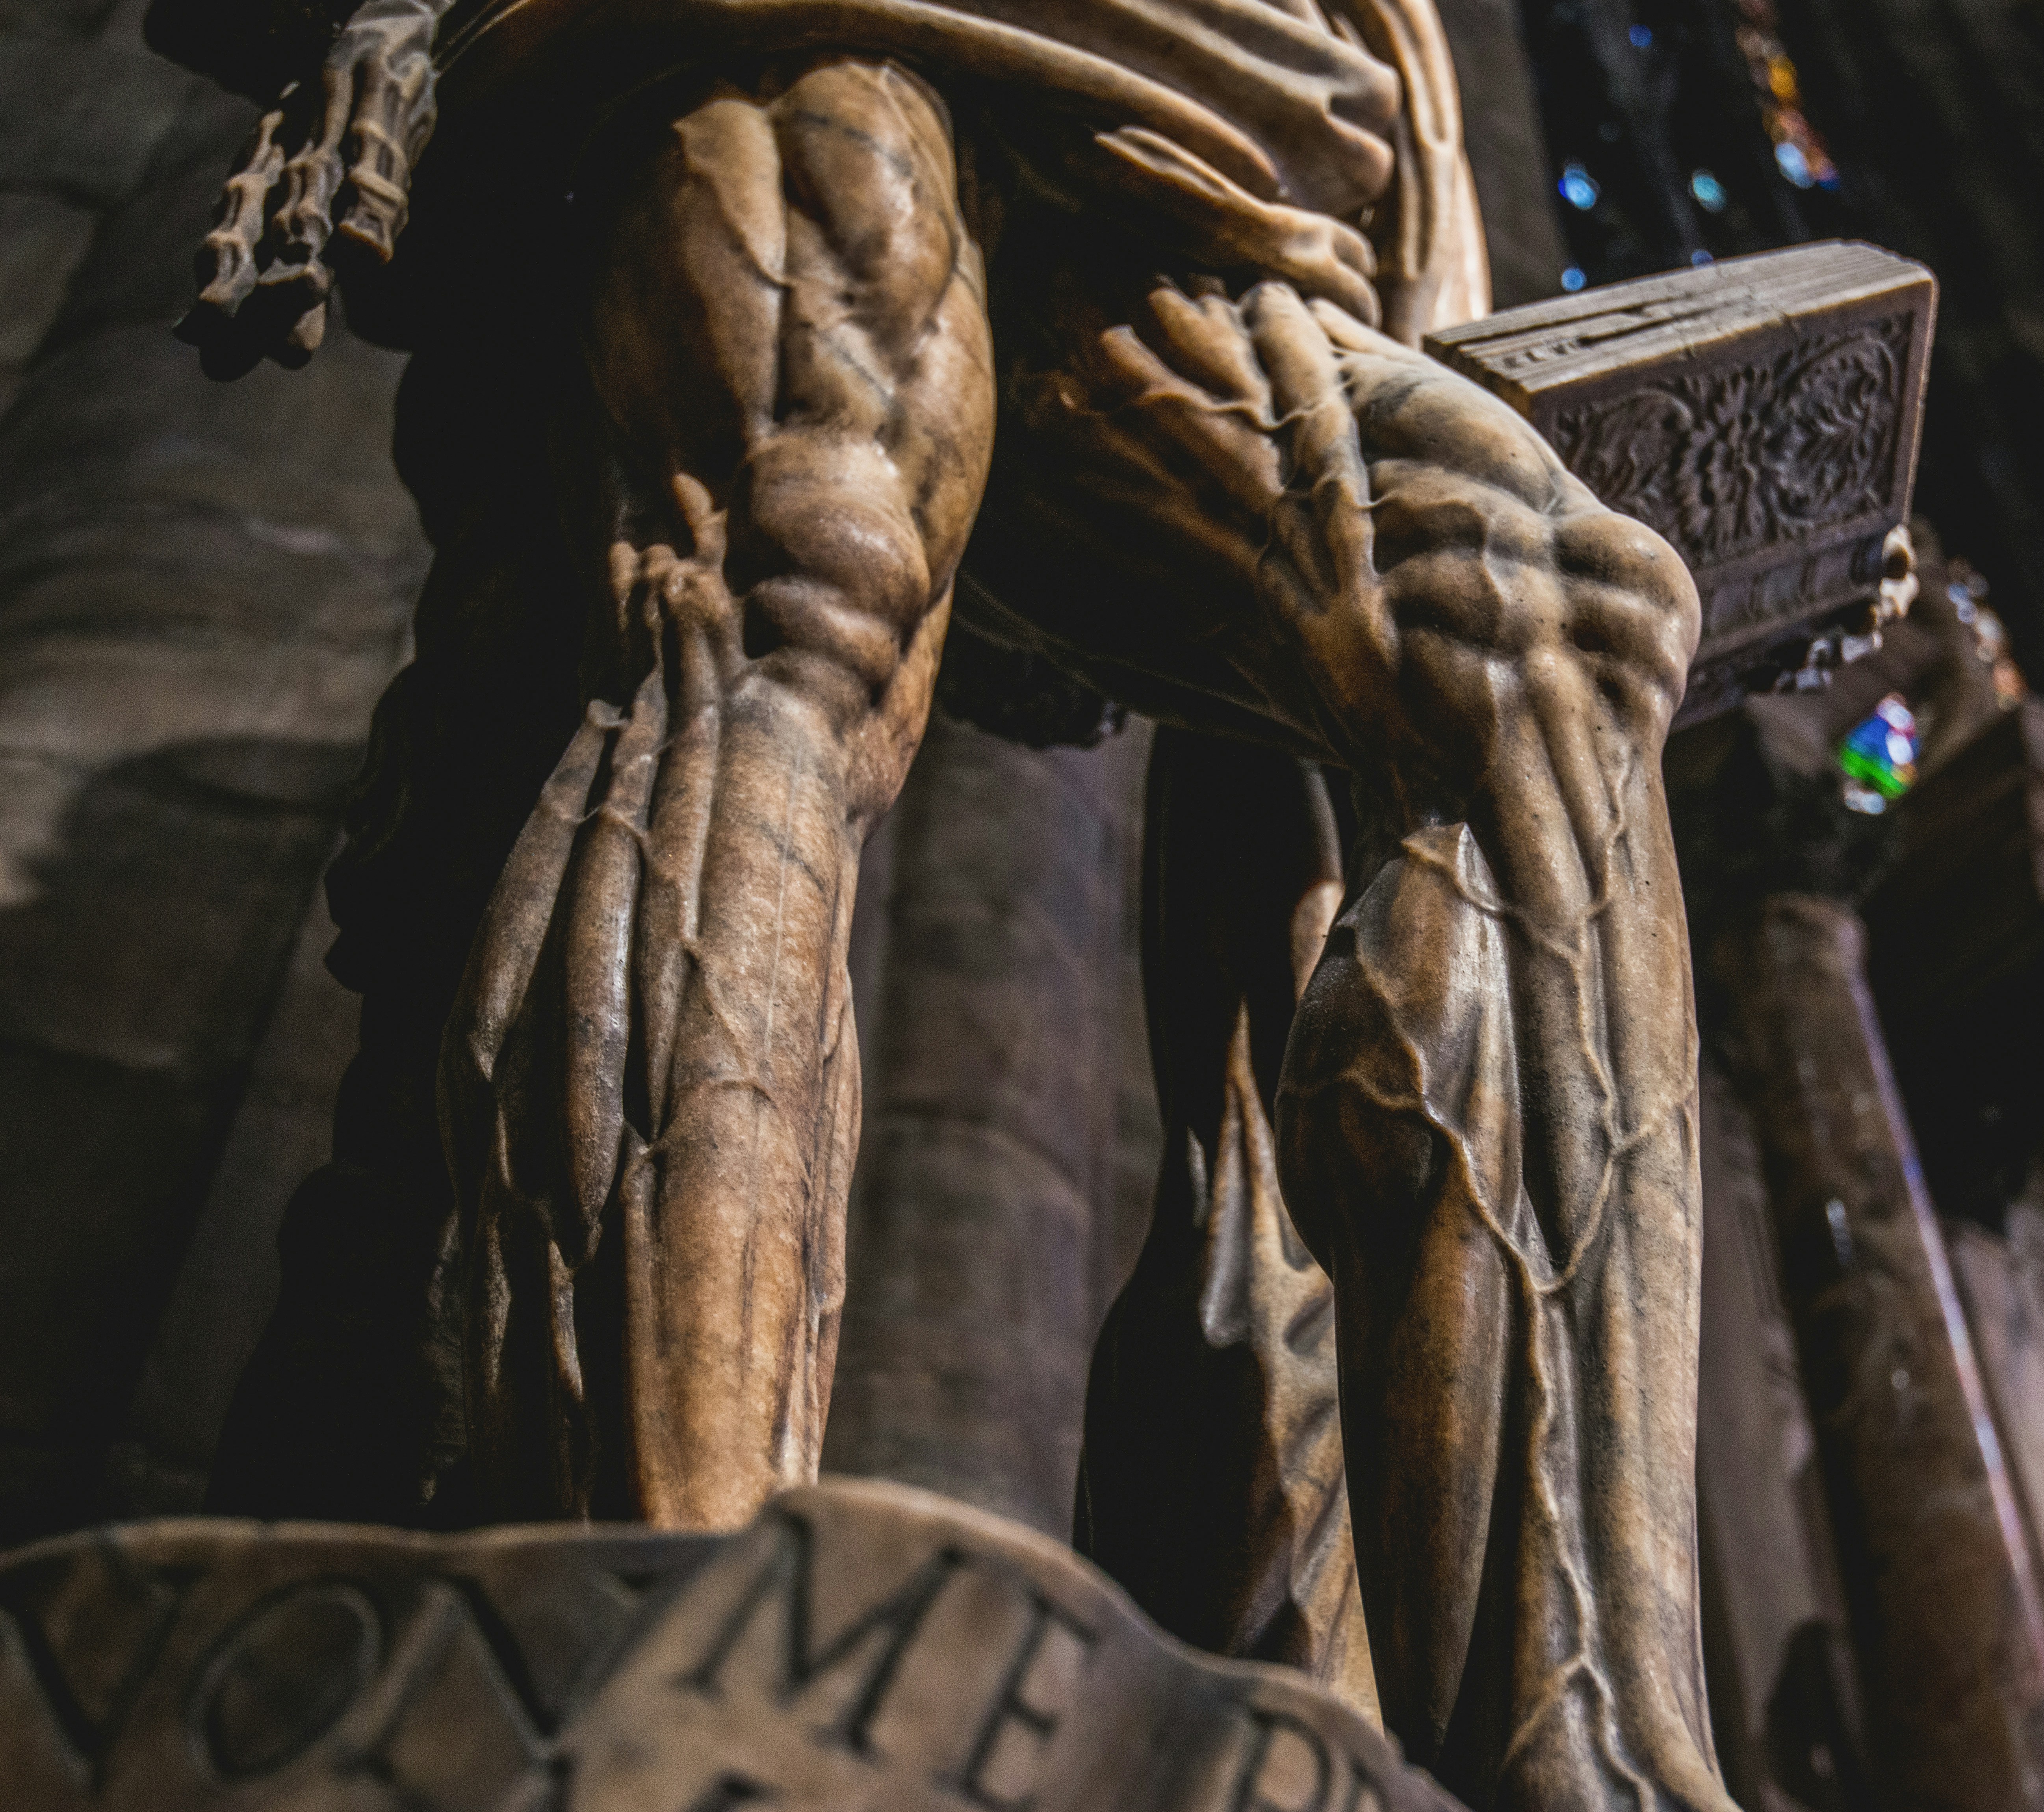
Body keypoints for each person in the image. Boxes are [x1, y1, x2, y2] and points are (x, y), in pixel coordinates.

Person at [158, 1, 1733, 1805]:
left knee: (1560, 624)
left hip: (1228, 145)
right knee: (804, 565)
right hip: (817, 34)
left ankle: (1568, 1744)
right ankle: (663, 1638)